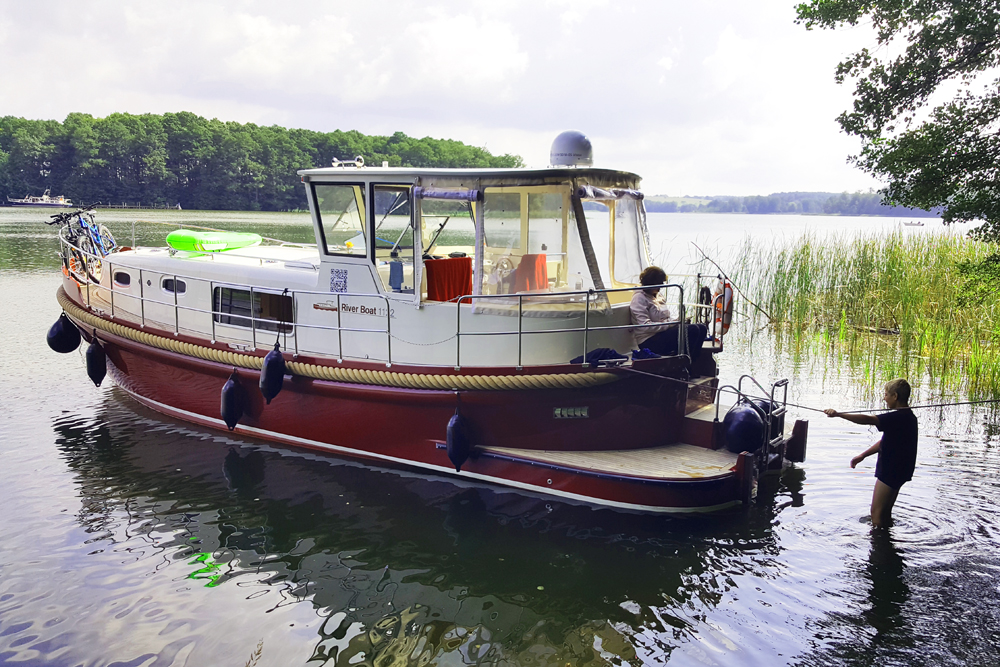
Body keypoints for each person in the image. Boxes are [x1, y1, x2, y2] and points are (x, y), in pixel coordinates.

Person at [824, 379, 918, 528]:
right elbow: (886, 441)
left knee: (876, 513)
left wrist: (839, 414)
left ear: (895, 396)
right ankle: (887, 538)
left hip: (891, 471)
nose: (884, 398)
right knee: (885, 512)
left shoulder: (897, 417)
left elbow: (868, 419)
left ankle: (879, 545)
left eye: (886, 395)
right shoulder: (909, 418)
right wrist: (863, 455)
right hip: (901, 471)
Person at [630, 266, 707, 363]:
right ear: (651, 282)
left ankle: (692, 362)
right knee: (692, 330)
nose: (661, 285)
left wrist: (677, 321)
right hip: (649, 340)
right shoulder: (639, 298)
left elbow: (665, 318)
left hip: (662, 333)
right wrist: (671, 324)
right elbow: (645, 326)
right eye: (659, 282)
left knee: (702, 328)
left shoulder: (658, 296)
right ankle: (685, 364)